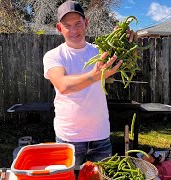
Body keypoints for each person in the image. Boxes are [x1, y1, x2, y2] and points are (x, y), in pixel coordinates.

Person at [43, 0, 138, 168]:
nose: (74, 30)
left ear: (86, 23)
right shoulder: (53, 56)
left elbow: (126, 63)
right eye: (67, 25)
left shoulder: (101, 51)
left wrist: (127, 43)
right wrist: (94, 75)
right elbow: (63, 85)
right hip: (69, 137)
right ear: (59, 28)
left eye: (78, 23)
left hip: (100, 136)